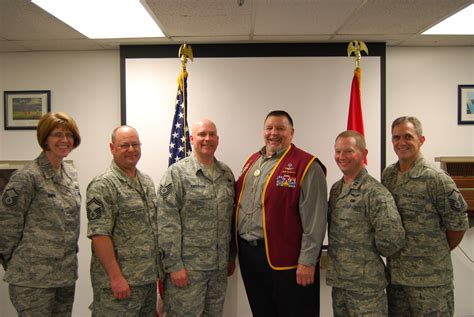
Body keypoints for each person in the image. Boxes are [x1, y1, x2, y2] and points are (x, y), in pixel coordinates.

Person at [234, 110, 327, 317]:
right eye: (269, 128)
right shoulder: (252, 161)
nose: (273, 133)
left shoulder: (307, 165)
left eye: (280, 128)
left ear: (291, 132)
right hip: (251, 257)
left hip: (289, 262)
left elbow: (315, 220)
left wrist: (308, 261)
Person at [382, 116, 469, 316]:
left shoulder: (436, 178)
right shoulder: (388, 176)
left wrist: (433, 252)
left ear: (421, 140)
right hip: (397, 280)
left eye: (408, 137)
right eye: (396, 138)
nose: (401, 143)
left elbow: (457, 225)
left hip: (431, 282)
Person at [0, 112, 81, 316]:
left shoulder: (70, 174)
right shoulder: (27, 176)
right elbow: (6, 226)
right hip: (32, 279)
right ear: (44, 138)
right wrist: (19, 263)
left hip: (64, 275)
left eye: (69, 135)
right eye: (57, 134)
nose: (64, 140)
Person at [157, 119, 235, 316]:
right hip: (188, 271)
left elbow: (230, 219)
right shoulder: (177, 173)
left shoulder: (226, 174)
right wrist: (174, 266)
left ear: (218, 139)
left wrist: (230, 257)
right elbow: (167, 222)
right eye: (202, 134)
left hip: (218, 270)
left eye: (211, 134)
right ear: (192, 138)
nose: (207, 139)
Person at [326, 130, 405, 316]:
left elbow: (392, 240)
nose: (341, 157)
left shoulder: (375, 192)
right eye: (338, 151)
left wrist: (364, 258)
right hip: (340, 284)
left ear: (364, 153)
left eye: (348, 151)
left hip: (366, 287)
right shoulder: (336, 189)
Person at [86, 125, 159, 316]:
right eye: (124, 145)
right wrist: (116, 277)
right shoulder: (103, 185)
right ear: (112, 148)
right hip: (119, 285)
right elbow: (99, 235)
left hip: (147, 281)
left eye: (135, 144)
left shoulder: (146, 182)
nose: (131, 150)